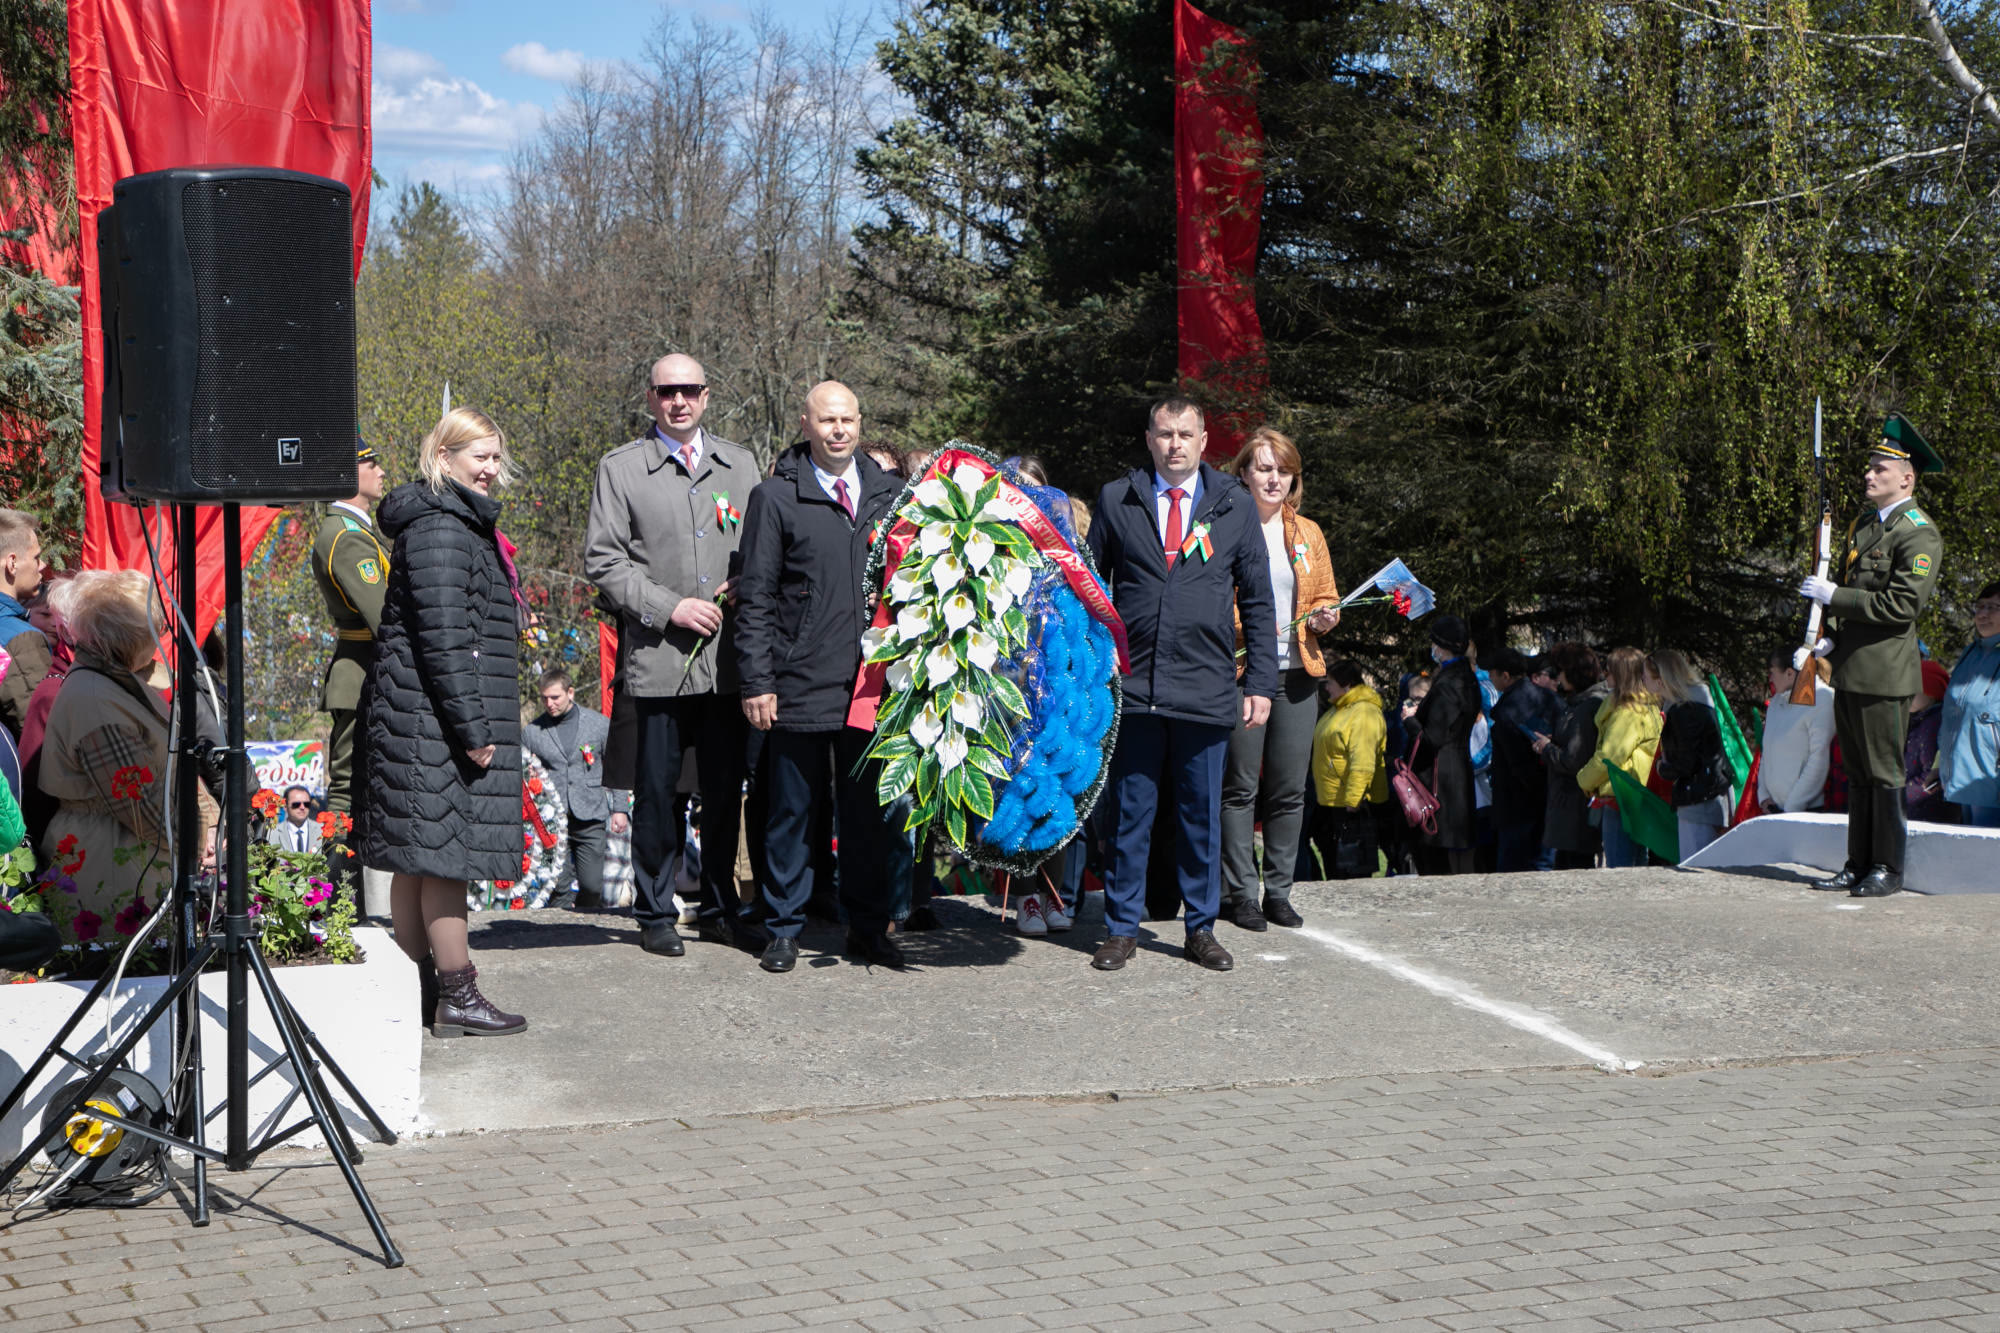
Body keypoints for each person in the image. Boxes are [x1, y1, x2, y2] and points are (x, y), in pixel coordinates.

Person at [1085, 397, 1277, 972]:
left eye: (1185, 434)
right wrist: (1093, 674)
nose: (1174, 444)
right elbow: (1092, 589)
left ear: (1203, 440)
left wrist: (1261, 681)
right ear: (1148, 438)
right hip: (1135, 687)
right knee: (1130, 814)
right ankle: (1122, 926)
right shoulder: (1117, 499)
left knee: (1201, 816)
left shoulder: (1233, 504)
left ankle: (1200, 927)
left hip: (1205, 686)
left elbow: (1260, 601)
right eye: (1164, 434)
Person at [360, 407, 527, 1037]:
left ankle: (412, 991)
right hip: (431, 721)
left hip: (421, 718)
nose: (490, 469)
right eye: (478, 457)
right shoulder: (442, 528)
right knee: (442, 857)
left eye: (494, 457)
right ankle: (457, 991)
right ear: (443, 457)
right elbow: (445, 641)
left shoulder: (446, 521)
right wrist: (474, 729)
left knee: (420, 856)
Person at [585, 354, 757, 956]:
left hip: (728, 663)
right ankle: (655, 910)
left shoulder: (741, 465)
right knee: (658, 792)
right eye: (666, 391)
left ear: (706, 396)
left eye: (688, 390)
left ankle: (719, 905)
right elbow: (604, 562)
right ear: (651, 397)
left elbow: (761, 549)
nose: (678, 401)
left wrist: (747, 582)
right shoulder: (622, 469)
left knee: (723, 786)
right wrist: (670, 607)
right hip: (659, 659)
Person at [734, 381, 903, 973]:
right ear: (805, 423)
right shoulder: (774, 498)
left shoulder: (892, 495)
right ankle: (783, 926)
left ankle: (867, 929)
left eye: (848, 419)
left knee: (868, 817)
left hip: (871, 687)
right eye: (827, 420)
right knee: (790, 813)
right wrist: (757, 681)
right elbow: (753, 598)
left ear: (860, 423)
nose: (839, 430)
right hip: (798, 681)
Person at [1797, 416, 1946, 896]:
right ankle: (1857, 862)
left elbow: (1901, 605)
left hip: (1884, 673)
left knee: (1884, 774)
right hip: (1850, 669)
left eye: (1880, 467)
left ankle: (1887, 868)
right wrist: (1829, 640)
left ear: (1906, 477)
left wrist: (1834, 597)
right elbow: (1858, 593)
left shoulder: (1918, 534)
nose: (1869, 474)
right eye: (1870, 466)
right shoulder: (1865, 525)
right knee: (1858, 773)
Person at [1219, 427, 1338, 930]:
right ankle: (1240, 893)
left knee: (1290, 790)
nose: (1274, 478)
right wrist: (1252, 621)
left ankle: (1280, 891)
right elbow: (1210, 600)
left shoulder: (1308, 532)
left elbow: (1325, 595)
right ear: (1244, 472)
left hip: (1298, 675)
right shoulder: (1223, 526)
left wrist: (1325, 615)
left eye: (1283, 470)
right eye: (1264, 468)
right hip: (1245, 672)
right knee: (1240, 788)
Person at [35, 571, 180, 935]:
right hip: (113, 863)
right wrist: (194, 842)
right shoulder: (96, 700)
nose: (161, 637)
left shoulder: (114, 682)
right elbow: (140, 809)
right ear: (130, 638)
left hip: (125, 857)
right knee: (123, 976)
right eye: (155, 629)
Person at [310, 439, 389, 896]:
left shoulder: (355, 531)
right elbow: (383, 617)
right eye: (370, 464)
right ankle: (335, 898)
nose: (380, 471)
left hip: (364, 673)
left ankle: (347, 897)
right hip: (359, 676)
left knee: (358, 791)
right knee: (346, 793)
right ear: (347, 476)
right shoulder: (345, 536)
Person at [523, 669, 620, 910]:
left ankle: (585, 926)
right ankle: (559, 938)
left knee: (592, 885)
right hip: (552, 821)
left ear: (571, 692)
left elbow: (617, 768)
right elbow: (522, 773)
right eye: (544, 698)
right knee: (558, 887)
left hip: (590, 814)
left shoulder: (599, 725)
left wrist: (620, 808)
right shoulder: (532, 732)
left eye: (555, 697)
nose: (549, 703)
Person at [1576, 646, 1661, 867]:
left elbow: (1609, 756)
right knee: (1637, 865)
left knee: (1621, 868)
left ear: (1621, 675)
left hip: (1620, 798)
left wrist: (1584, 780)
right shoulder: (1646, 707)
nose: (1605, 675)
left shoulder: (1628, 712)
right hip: (1635, 796)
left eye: (1610, 670)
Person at [1647, 649, 1733, 858]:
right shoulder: (1689, 704)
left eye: (1645, 675)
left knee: (1695, 867)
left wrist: (1662, 767)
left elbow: (1685, 763)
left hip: (1699, 800)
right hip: (1703, 796)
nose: (1642, 679)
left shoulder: (1686, 710)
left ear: (1660, 680)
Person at [1412, 615, 1481, 874]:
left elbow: (1433, 737)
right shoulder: (1465, 676)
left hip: (1443, 773)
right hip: (1457, 766)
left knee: (1439, 848)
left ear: (1441, 646)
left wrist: (1411, 721)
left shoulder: (1449, 682)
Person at [1310, 659, 1387, 879]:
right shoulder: (1340, 709)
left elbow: (1362, 760)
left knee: (1352, 866)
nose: (1326, 687)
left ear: (1346, 685)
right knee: (1333, 858)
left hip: (1351, 803)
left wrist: (1354, 800)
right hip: (1332, 799)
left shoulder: (1363, 712)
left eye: (1330, 682)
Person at [1486, 648, 1560, 872]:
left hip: (1517, 801)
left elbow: (1516, 762)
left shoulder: (1508, 711)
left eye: (1493, 673)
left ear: (1505, 676)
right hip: (1550, 792)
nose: (1490, 677)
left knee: (1514, 868)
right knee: (1544, 862)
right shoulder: (1548, 698)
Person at [1534, 642, 1606, 869]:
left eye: (1562, 671)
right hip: (1567, 805)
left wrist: (1547, 748)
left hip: (1574, 806)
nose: (1558, 676)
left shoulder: (1586, 707)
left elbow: (1574, 759)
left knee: (1574, 868)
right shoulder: (1577, 703)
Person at [1940, 582, 2000, 827]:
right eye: (1980, 607)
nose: (1983, 614)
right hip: (1959, 777)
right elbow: (1951, 714)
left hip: (1990, 782)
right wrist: (1938, 764)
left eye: (1993, 607)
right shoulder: (1970, 653)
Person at [1758, 648, 1836, 813]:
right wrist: (1763, 796)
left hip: (1807, 811)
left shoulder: (1822, 698)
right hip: (1774, 809)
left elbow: (1819, 758)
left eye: (1772, 672)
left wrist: (1793, 807)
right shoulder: (1776, 702)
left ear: (1789, 673)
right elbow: (1767, 752)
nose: (1769, 678)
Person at [0, 508, 50, 739]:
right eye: (36, 557)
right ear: (12, 563)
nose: (42, 566)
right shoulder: (23, 640)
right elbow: (40, 733)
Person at [1904, 659, 1952, 824]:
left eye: (1913, 690)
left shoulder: (1933, 724)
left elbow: (1930, 776)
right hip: (1918, 810)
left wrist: (1900, 795)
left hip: (1929, 813)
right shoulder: (1918, 720)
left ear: (1932, 693)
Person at [265, 785, 324, 853]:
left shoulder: (322, 830)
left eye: (306, 804)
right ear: (285, 806)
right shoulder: (271, 833)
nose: (302, 807)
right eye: (296, 804)